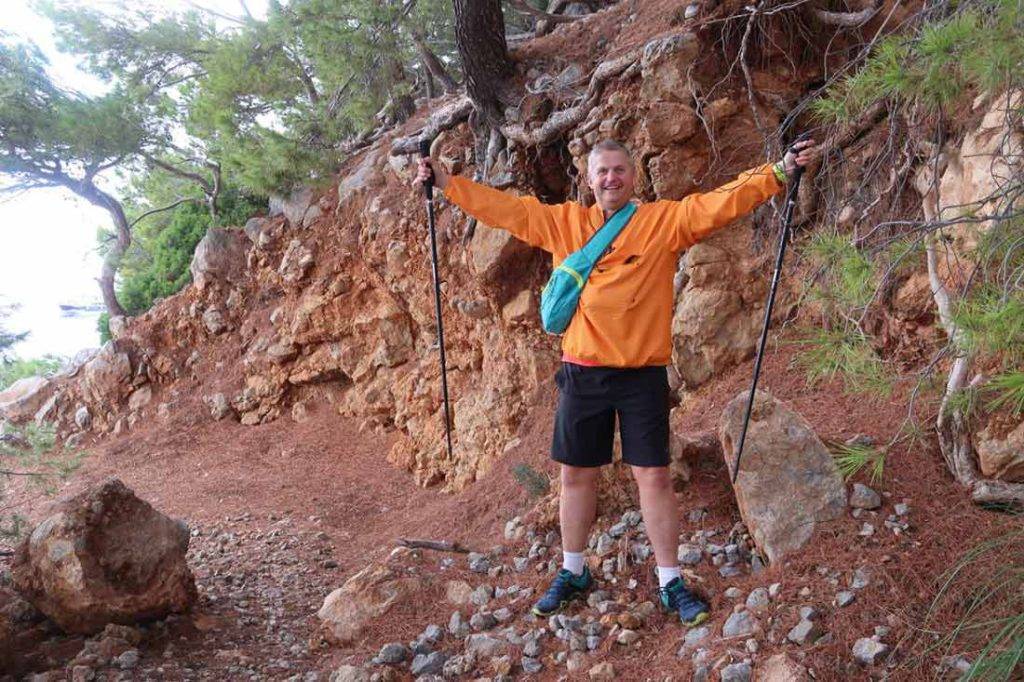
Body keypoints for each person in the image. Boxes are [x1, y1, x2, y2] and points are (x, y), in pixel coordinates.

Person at [414, 136, 817, 627]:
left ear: (633, 176)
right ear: (589, 179)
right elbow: (506, 211)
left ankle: (670, 580)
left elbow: (718, 204)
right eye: (602, 171)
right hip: (583, 373)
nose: (611, 179)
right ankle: (573, 571)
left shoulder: (661, 222)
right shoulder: (565, 223)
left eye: (619, 170)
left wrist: (776, 172)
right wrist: (446, 183)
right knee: (575, 475)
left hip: (641, 375)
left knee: (653, 476)